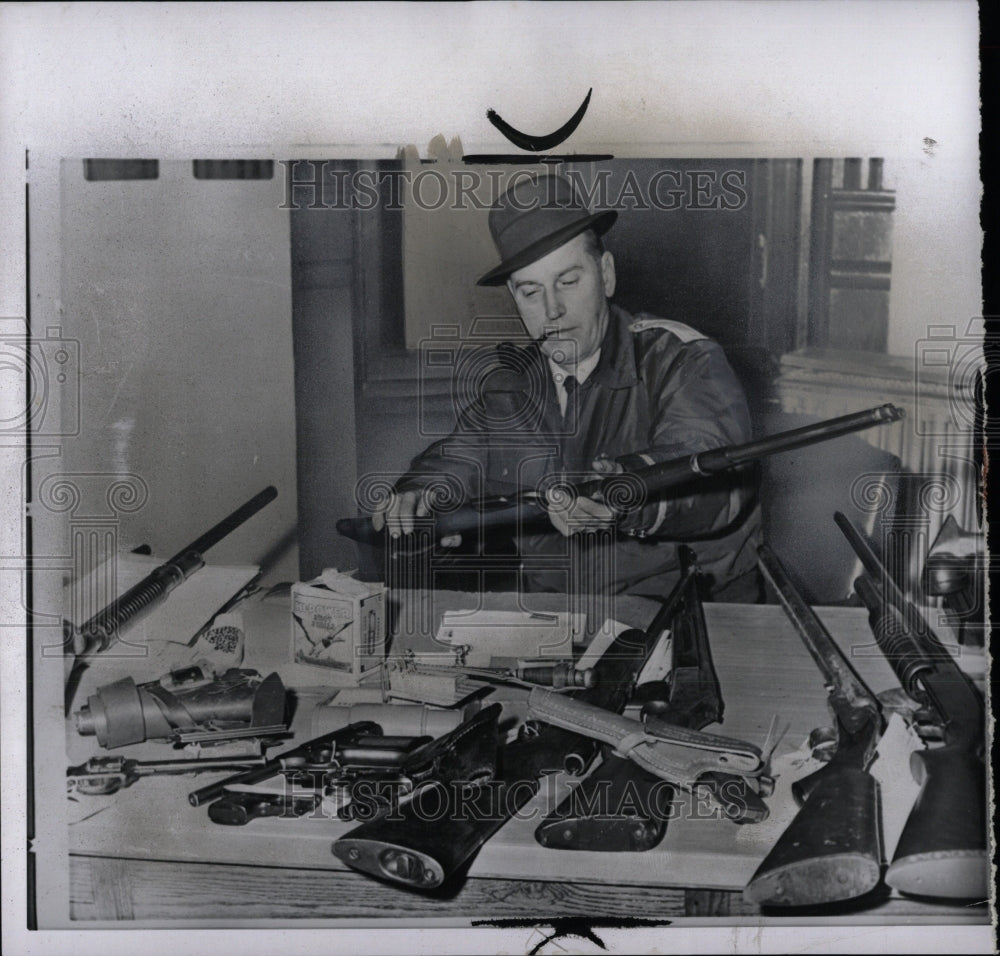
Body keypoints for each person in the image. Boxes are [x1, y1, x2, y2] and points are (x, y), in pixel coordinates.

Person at [373, 172, 761, 602]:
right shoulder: (512, 389)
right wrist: (419, 494)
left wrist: (628, 492)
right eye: (530, 291)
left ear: (606, 274)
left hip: (693, 619)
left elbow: (713, 473)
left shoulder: (684, 359)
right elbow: (456, 460)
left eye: (568, 281)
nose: (552, 310)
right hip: (560, 626)